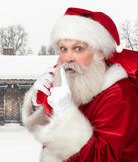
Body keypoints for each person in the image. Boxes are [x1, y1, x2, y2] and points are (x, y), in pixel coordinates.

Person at [22, 7, 138, 162]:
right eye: (64, 49)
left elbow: (102, 158)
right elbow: (47, 135)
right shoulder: (79, 84)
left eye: (78, 49)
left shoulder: (118, 96)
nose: (68, 58)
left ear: (100, 52)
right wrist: (39, 103)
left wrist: (66, 113)